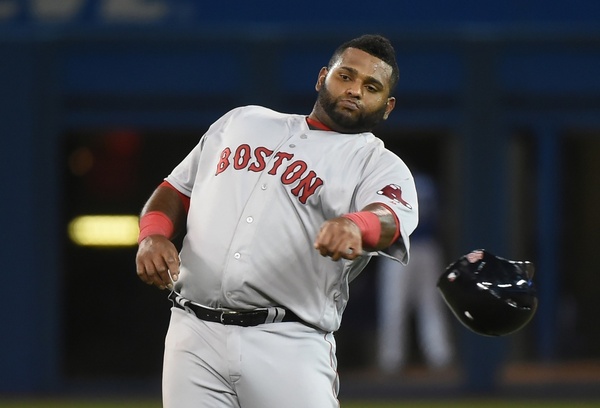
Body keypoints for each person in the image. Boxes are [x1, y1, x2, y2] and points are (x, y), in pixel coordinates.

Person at [135, 34, 418, 408]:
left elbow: (390, 217)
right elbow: (175, 189)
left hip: (287, 342)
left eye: (371, 87)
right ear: (322, 77)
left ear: (387, 106)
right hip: (192, 333)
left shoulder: (378, 164)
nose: (354, 91)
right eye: (345, 76)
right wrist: (152, 236)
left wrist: (355, 225)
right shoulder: (243, 121)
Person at [376, 172, 453, 374]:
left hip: (401, 246)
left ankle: (391, 360)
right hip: (426, 247)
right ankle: (439, 357)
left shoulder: (390, 181)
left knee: (395, 305)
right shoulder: (428, 184)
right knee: (429, 305)